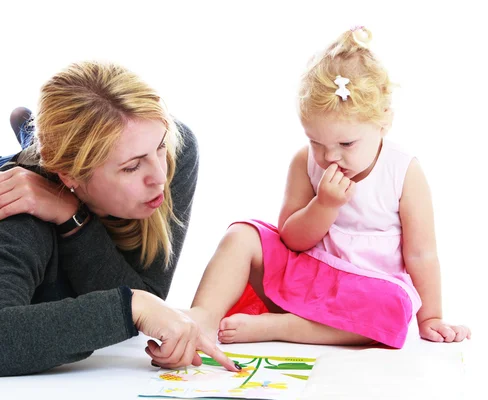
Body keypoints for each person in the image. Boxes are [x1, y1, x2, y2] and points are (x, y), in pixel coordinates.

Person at [0, 61, 239, 377]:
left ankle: (30, 129)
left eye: (159, 148)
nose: (160, 177)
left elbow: (148, 290)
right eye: (132, 167)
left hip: (66, 178)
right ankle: (31, 136)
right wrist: (133, 307)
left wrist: (72, 216)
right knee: (35, 165)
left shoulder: (171, 144)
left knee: (63, 150)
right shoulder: (14, 216)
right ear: (69, 175)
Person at [186, 27, 471, 349]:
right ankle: (202, 318)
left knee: (394, 306)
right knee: (242, 234)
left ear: (384, 121)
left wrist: (431, 317)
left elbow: (421, 254)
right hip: (309, 278)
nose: (329, 156)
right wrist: (324, 205)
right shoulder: (305, 162)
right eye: (316, 142)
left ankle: (287, 327)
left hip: (365, 293)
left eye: (346, 143)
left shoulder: (403, 170)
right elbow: (291, 240)